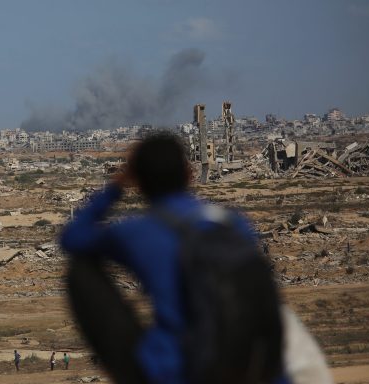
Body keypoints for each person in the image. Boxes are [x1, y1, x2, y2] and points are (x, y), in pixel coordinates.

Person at [60, 132, 291, 384]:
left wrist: (115, 187)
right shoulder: (231, 223)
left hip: (176, 371)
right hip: (252, 368)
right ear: (189, 173)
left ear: (138, 181)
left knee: (80, 269)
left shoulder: (137, 233)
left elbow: (72, 238)